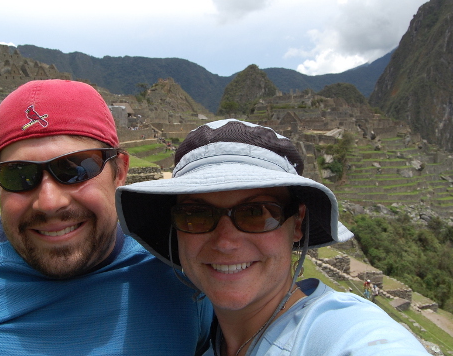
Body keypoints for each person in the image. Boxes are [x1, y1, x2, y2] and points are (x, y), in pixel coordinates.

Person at [0, 80, 212, 355]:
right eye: (18, 174)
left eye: (75, 169)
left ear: (119, 172)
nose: (49, 202)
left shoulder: (178, 264)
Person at [116, 119, 430, 356]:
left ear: (297, 223)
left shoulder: (342, 334)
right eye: (196, 215)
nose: (225, 242)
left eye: (257, 213)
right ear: (176, 227)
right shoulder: (205, 340)